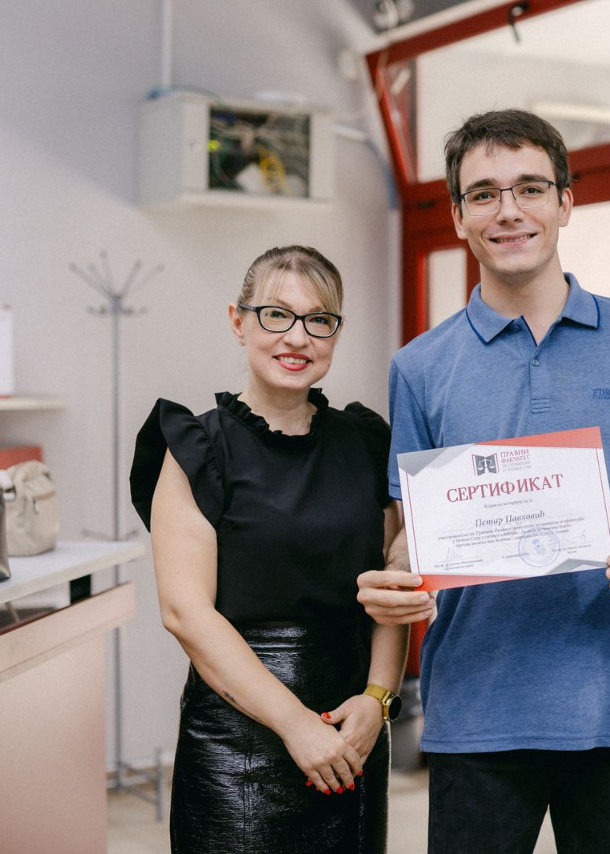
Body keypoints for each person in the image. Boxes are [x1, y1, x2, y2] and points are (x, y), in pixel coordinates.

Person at [356, 109, 610, 854]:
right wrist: (395, 576)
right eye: (483, 194)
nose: (508, 210)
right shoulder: (419, 366)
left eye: (530, 188)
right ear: (458, 217)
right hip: (476, 705)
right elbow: (411, 528)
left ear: (565, 202)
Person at [129, 245, 407, 853]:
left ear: (336, 332)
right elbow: (185, 613)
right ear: (238, 321)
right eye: (276, 314)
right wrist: (294, 723)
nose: (297, 337)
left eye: (319, 320)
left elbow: (394, 583)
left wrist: (378, 698)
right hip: (238, 739)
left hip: (353, 727)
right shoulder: (198, 448)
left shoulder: (365, 441)